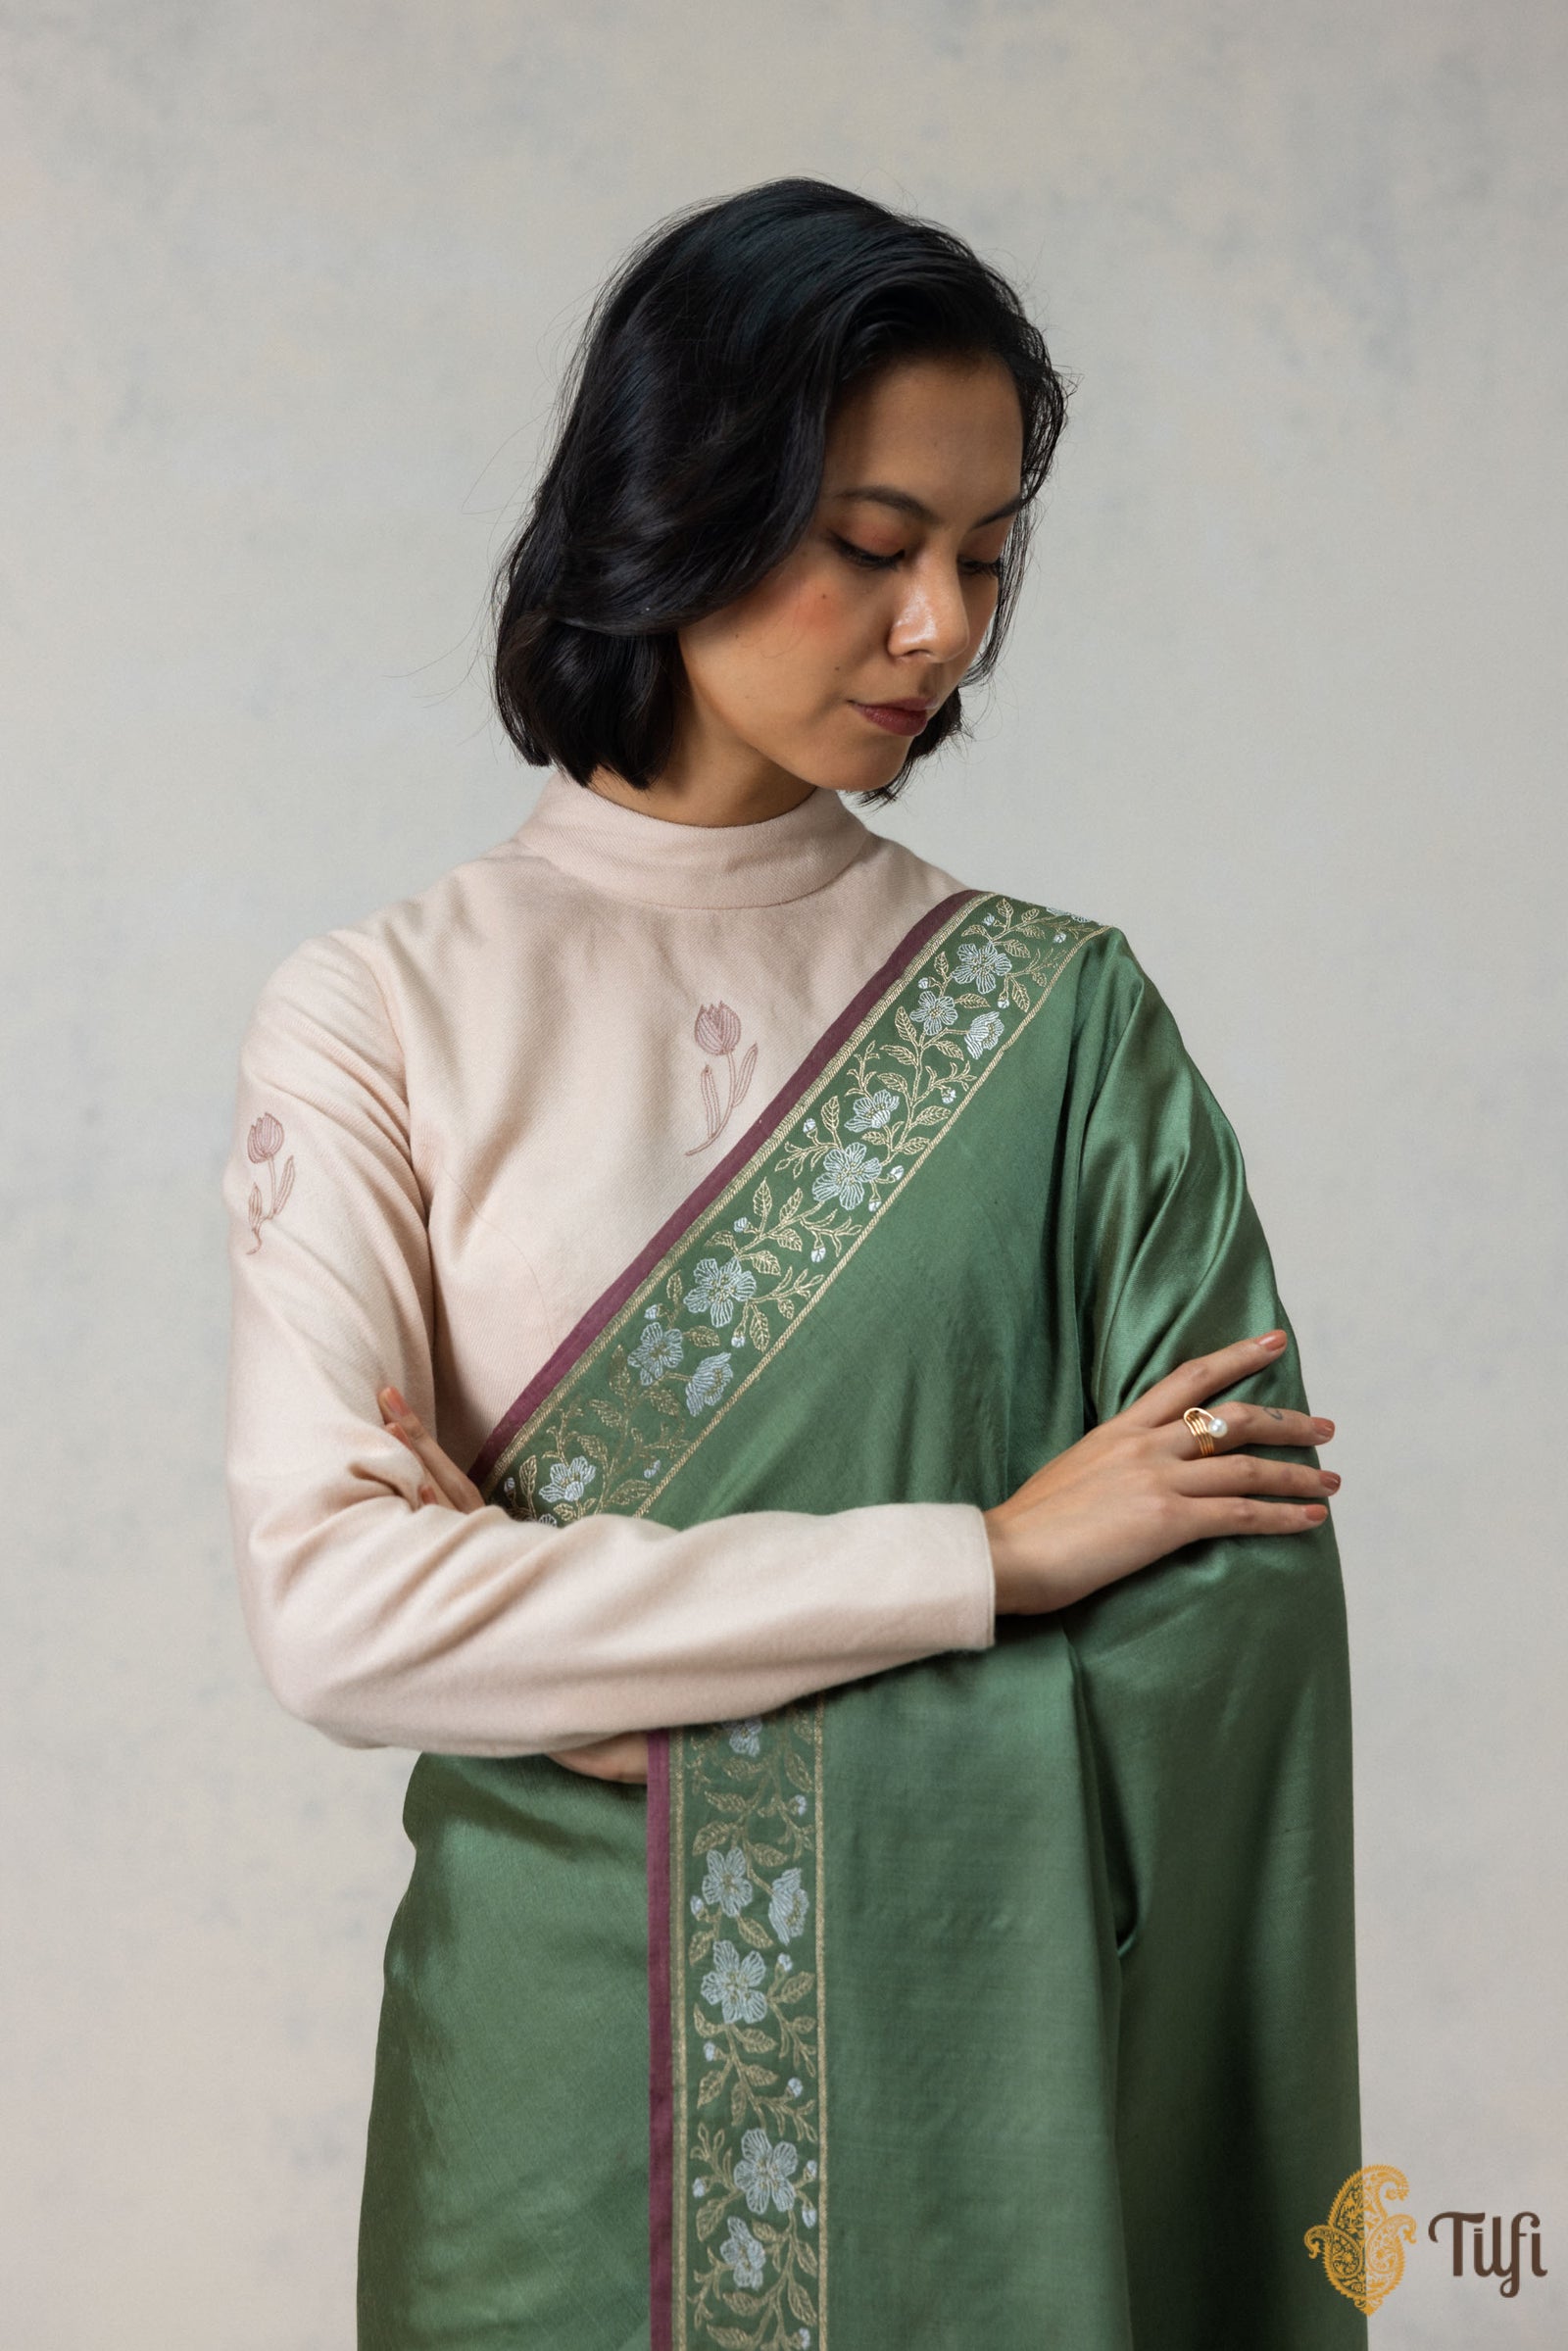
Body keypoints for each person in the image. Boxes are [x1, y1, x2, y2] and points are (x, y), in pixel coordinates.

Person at [224, 178, 1366, 2349]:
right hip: (541, 2128)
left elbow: (1231, 1633)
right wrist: (992, 1562)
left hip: (988, 2146)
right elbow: (341, 1616)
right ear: (676, 504)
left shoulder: (1060, 1034)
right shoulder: (381, 1014)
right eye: (869, 542)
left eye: (987, 556)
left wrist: (598, 1679)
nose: (939, 629)